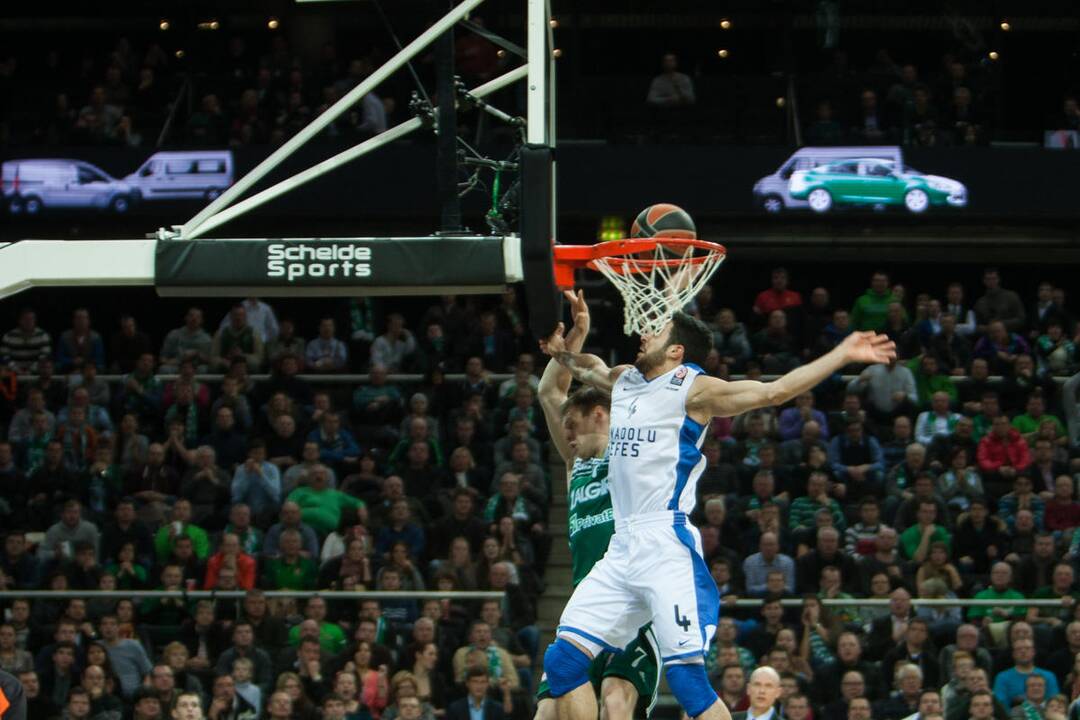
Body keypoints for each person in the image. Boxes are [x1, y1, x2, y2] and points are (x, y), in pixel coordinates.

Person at [540, 286, 894, 720]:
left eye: (657, 329)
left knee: (688, 683)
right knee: (561, 662)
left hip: (663, 542)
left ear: (676, 349)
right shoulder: (627, 380)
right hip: (621, 548)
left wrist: (842, 354)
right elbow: (587, 368)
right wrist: (565, 348)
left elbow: (774, 392)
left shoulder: (693, 390)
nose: (644, 332)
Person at [534, 289, 661, 720]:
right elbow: (549, 390)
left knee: (614, 701)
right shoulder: (575, 463)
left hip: (634, 603)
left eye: (573, 424)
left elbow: (622, 378)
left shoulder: (632, 446)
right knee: (547, 712)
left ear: (601, 415)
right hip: (587, 604)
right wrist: (578, 333)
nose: (566, 435)